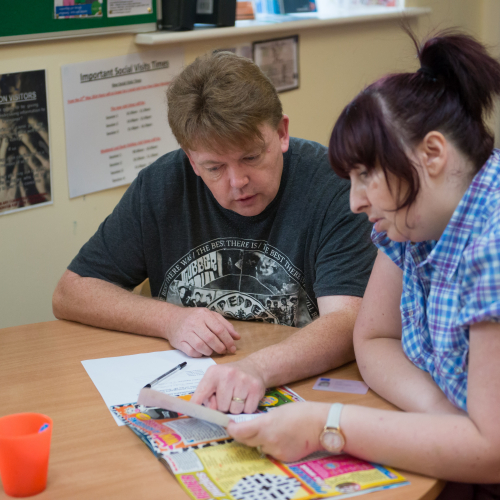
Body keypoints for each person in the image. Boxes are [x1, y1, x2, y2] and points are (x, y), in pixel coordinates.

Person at [227, 30, 500, 498]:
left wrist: (326, 424)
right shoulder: (414, 217)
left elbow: (491, 450)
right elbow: (373, 337)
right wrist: (441, 416)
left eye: (365, 175)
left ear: (432, 154)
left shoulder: (490, 241)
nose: (354, 201)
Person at [53, 51, 376, 414]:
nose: (238, 182)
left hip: (301, 393)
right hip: (191, 389)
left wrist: (256, 368)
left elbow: (348, 321)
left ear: (282, 132)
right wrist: (170, 319)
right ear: (191, 160)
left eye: (251, 157)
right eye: (214, 167)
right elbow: (71, 291)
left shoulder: (334, 188)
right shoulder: (161, 185)